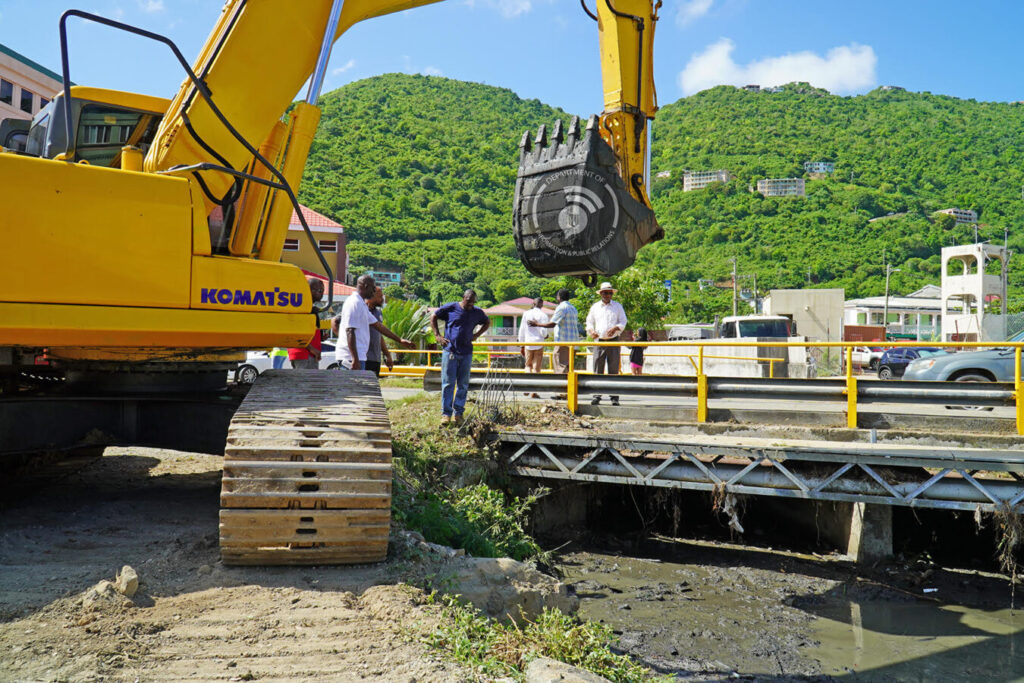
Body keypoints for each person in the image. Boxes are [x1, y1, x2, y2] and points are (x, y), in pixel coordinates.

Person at [431, 289, 490, 426]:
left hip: (466, 353)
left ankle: (459, 413)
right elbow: (433, 316)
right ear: (463, 298)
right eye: (468, 301)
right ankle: (446, 414)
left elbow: (486, 322)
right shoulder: (451, 308)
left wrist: (476, 335)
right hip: (450, 351)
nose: (470, 305)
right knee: (448, 383)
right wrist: (437, 336)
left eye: (472, 303)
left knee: (463, 384)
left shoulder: (477, 312)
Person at [336, 274, 412, 371]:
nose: (374, 291)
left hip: (359, 357)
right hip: (350, 358)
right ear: (366, 286)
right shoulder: (354, 303)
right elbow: (350, 331)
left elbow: (378, 326)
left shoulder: (361, 304)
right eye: (373, 288)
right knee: (352, 386)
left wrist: (399, 340)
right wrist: (355, 358)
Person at [585, 281, 627, 406]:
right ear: (601, 293)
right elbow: (589, 322)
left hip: (613, 341)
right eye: (605, 293)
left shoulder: (618, 306)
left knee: (613, 369)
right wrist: (591, 331)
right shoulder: (595, 307)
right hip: (599, 341)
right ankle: (597, 395)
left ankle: (614, 397)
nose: (608, 295)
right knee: (598, 369)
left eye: (610, 293)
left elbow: (623, 321)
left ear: (612, 294)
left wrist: (615, 328)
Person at [288, 277, 325, 369]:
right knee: (306, 383)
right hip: (305, 355)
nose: (322, 293)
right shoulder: (303, 308)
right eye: (320, 290)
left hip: (307, 354)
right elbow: (297, 332)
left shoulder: (307, 307)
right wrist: (312, 349)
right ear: (310, 290)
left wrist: (320, 338)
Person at [518, 297, 549, 398]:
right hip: (538, 344)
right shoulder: (543, 315)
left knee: (528, 366)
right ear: (542, 305)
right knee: (536, 368)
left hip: (528, 343)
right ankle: (533, 392)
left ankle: (526, 387)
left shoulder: (526, 314)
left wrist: (521, 344)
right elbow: (544, 332)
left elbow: (522, 330)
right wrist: (546, 336)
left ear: (533, 303)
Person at [364, 286, 395, 377]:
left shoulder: (378, 312)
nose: (382, 299)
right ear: (371, 296)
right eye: (380, 297)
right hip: (364, 358)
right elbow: (335, 321)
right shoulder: (361, 309)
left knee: (373, 389)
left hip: (375, 359)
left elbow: (379, 335)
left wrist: (387, 355)